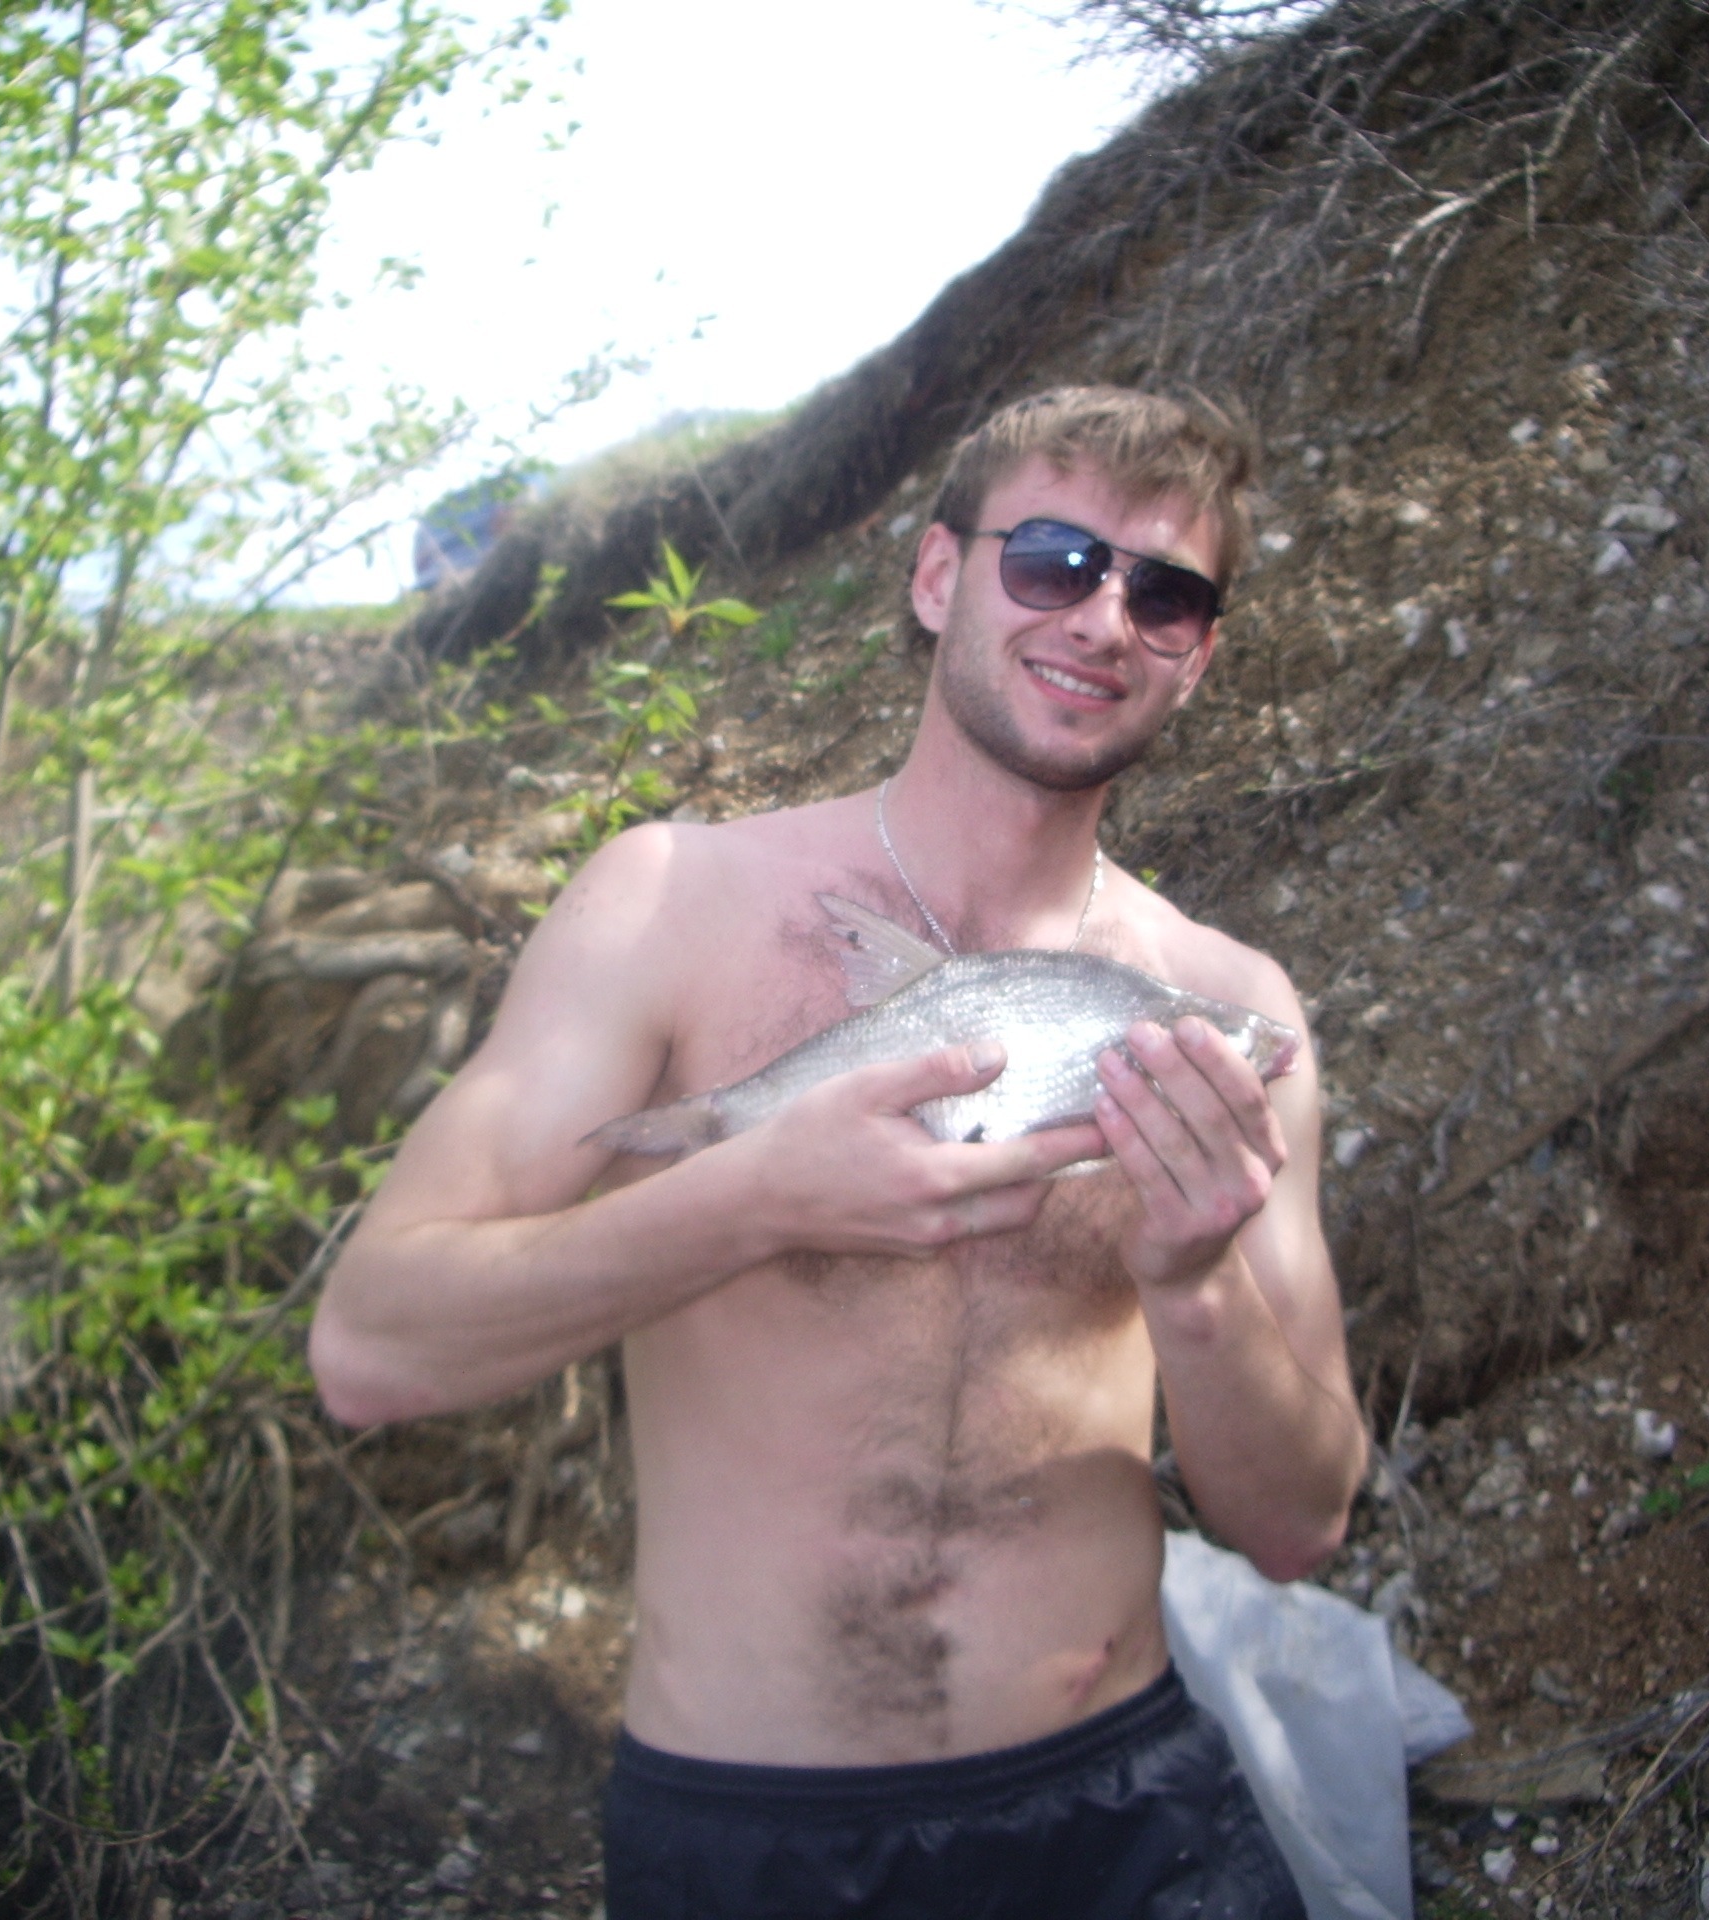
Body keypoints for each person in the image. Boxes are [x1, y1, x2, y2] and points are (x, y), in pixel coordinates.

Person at [311, 386, 1368, 1918]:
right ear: (938, 576)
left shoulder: (1231, 1008)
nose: (1103, 618)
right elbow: (370, 1348)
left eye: (1168, 595)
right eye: (1055, 560)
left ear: (1196, 656)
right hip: (754, 1840)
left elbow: (1299, 1525)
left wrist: (1197, 1285)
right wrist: (752, 1197)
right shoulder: (667, 907)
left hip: (1131, 1813)